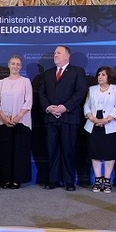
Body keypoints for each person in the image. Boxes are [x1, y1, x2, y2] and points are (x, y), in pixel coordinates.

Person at [38, 45, 88, 191]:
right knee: (52, 150)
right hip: (51, 118)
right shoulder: (48, 73)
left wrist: (64, 107)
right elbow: (42, 94)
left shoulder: (78, 71)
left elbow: (80, 92)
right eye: (54, 53)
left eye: (58, 53)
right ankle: (53, 180)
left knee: (69, 150)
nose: (55, 55)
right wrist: (49, 108)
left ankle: (69, 181)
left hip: (69, 117)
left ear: (67, 56)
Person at [0, 55, 33, 189]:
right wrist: (4, 117)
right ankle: (6, 180)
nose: (15, 66)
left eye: (18, 64)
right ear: (9, 65)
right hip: (4, 122)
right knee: (5, 151)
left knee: (19, 151)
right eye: (13, 63)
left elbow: (28, 101)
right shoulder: (2, 82)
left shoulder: (25, 81)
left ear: (21, 67)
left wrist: (17, 117)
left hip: (21, 122)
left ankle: (17, 180)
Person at [83, 66, 116, 194]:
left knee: (109, 153)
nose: (100, 77)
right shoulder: (92, 89)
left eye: (103, 75)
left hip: (110, 125)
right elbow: (86, 105)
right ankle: (97, 180)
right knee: (95, 153)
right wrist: (92, 118)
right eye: (99, 74)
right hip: (93, 123)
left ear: (109, 76)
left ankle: (107, 181)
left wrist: (107, 120)